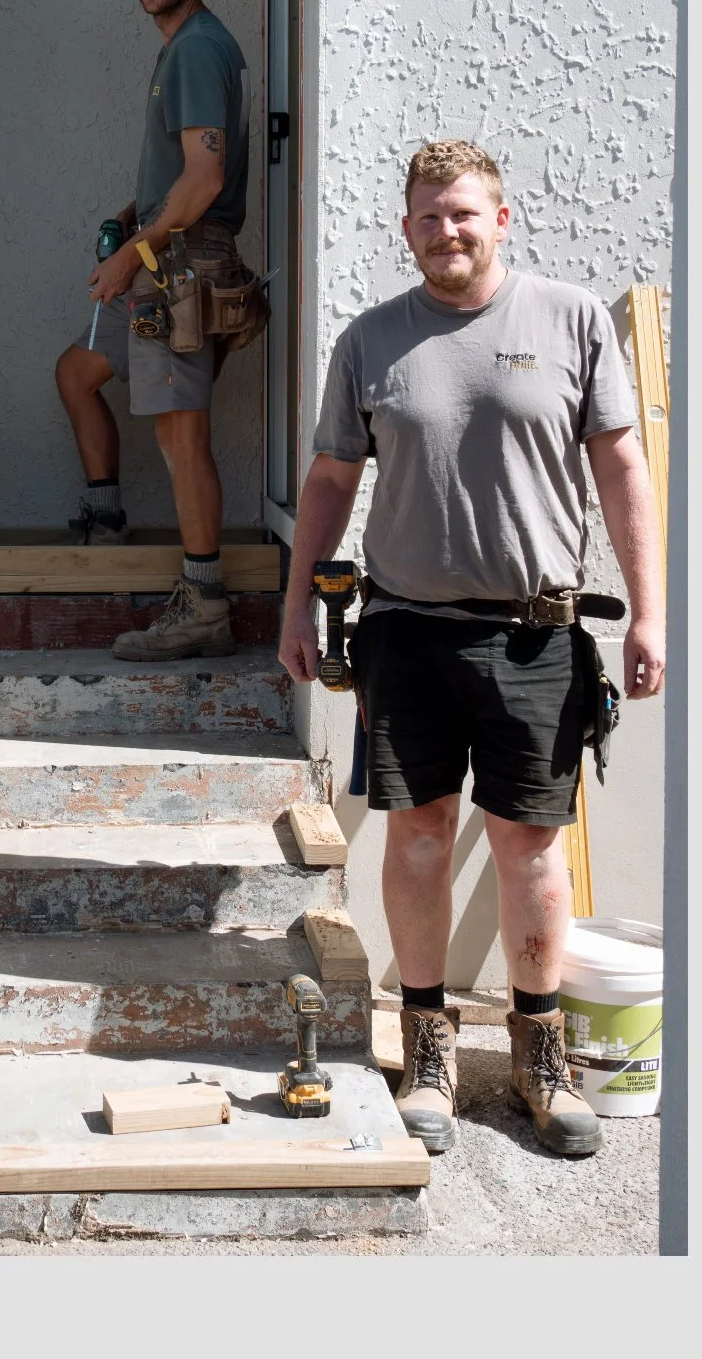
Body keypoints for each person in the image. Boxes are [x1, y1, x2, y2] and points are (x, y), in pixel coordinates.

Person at [278, 141, 665, 1158]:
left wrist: (653, 614)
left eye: (462, 214)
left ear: (500, 220)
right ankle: (429, 1050)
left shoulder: (570, 320)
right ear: (405, 230)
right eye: (427, 217)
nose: (445, 231)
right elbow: (328, 481)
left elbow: (623, 473)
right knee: (415, 837)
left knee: (529, 845)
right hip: (403, 630)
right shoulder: (372, 341)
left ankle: (540, 1054)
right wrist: (292, 609)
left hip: (536, 636)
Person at [54, 0, 260, 661]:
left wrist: (133, 253)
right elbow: (183, 174)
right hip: (164, 255)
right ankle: (106, 513)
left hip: (176, 268)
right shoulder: (185, 51)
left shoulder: (198, 49)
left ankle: (204, 605)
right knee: (77, 373)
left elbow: (204, 180)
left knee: (181, 436)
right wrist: (134, 210)